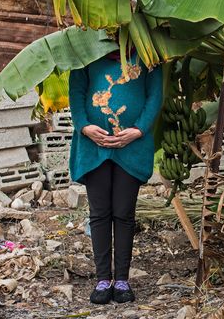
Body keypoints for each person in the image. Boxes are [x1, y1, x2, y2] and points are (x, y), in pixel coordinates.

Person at [68, 46, 163, 304]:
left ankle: (122, 280)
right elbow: (76, 93)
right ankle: (102, 280)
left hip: (130, 147)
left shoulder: (147, 53)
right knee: (99, 214)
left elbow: (154, 96)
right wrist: (85, 127)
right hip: (93, 146)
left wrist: (139, 130)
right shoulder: (86, 51)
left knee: (123, 214)